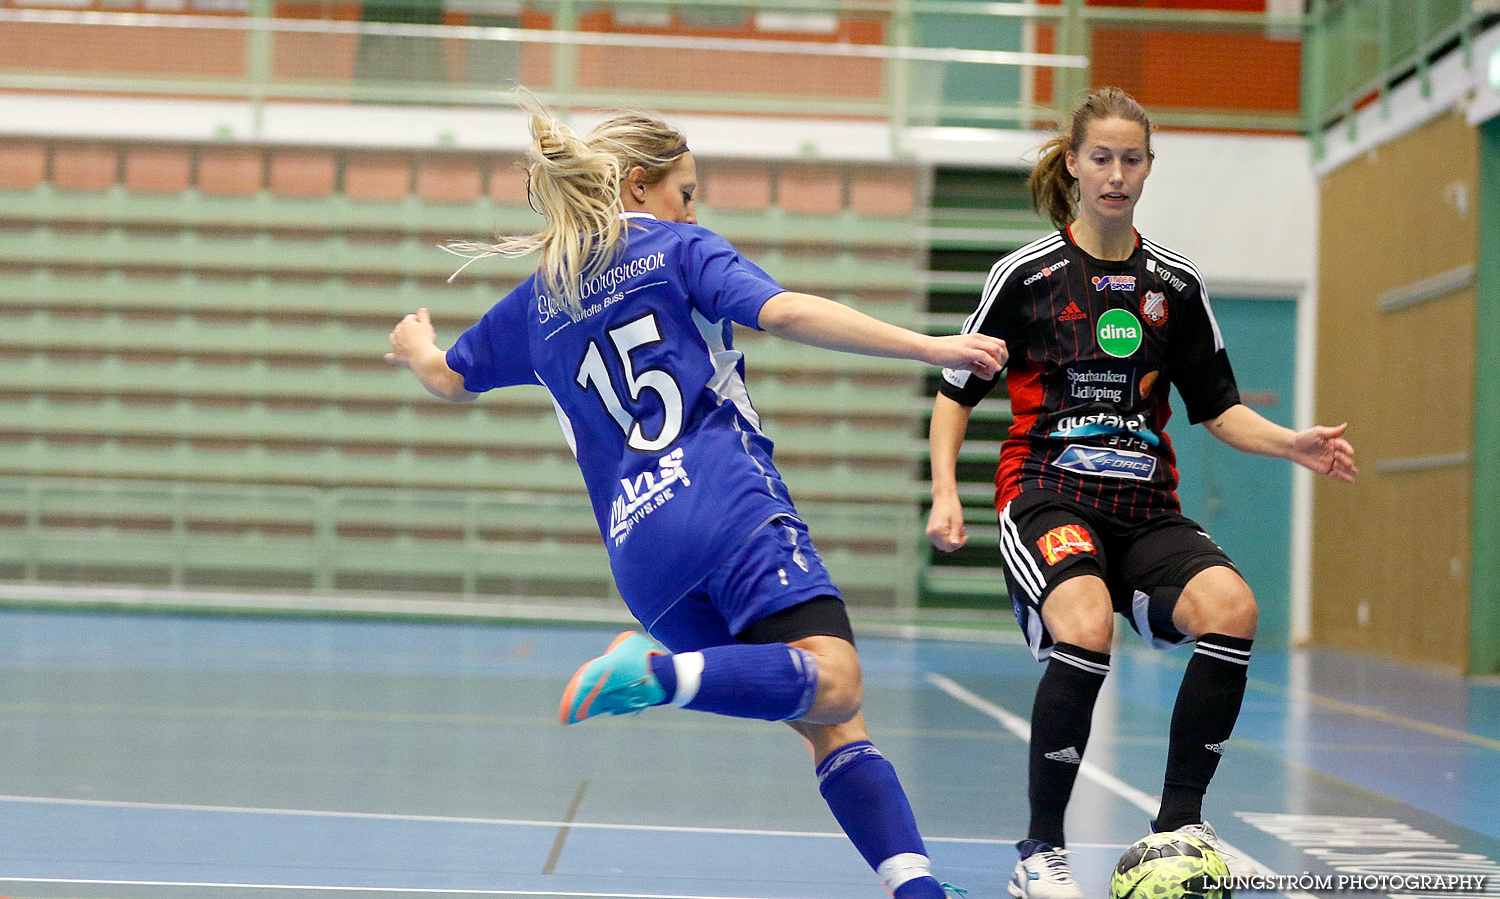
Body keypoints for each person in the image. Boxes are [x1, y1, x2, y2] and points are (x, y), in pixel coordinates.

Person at [385, 102, 1004, 898]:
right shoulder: (678, 250)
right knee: (838, 679)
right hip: (726, 507)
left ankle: (916, 889)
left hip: (643, 558)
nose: (694, 207)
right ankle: (660, 673)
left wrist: (416, 350)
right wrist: (928, 345)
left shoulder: (537, 301)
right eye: (687, 190)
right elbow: (781, 311)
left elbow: (449, 380)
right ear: (641, 187)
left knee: (826, 719)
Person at [924, 88, 1358, 899]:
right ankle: (1040, 853)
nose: (1115, 175)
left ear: (1149, 168)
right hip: (1047, 492)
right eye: (1100, 158)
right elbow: (955, 390)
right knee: (1087, 627)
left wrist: (1293, 443)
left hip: (1147, 505)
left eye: (1131, 159)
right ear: (1075, 165)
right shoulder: (1027, 275)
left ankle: (1178, 826)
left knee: (1233, 608)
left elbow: (1218, 409)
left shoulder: (1176, 285)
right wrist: (945, 492)